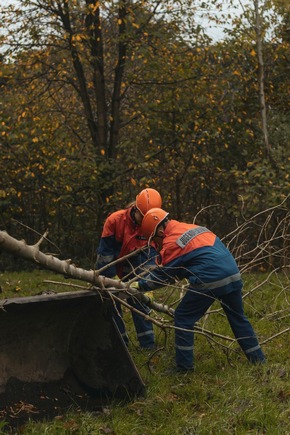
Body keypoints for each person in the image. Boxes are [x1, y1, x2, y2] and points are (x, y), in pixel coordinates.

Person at [133, 208, 266, 371]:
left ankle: (184, 368)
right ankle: (258, 361)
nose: (155, 244)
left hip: (210, 278)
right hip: (232, 273)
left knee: (183, 317)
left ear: (160, 231)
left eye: (154, 239)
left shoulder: (172, 242)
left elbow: (164, 276)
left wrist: (139, 286)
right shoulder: (192, 227)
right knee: (238, 318)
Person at [95, 188, 162, 349]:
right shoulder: (115, 220)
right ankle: (120, 344)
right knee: (112, 300)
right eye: (142, 217)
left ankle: (147, 345)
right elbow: (104, 256)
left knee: (140, 298)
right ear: (136, 209)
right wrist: (113, 280)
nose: (144, 222)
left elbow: (151, 258)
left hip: (136, 265)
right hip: (111, 267)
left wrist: (148, 284)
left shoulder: (152, 224)